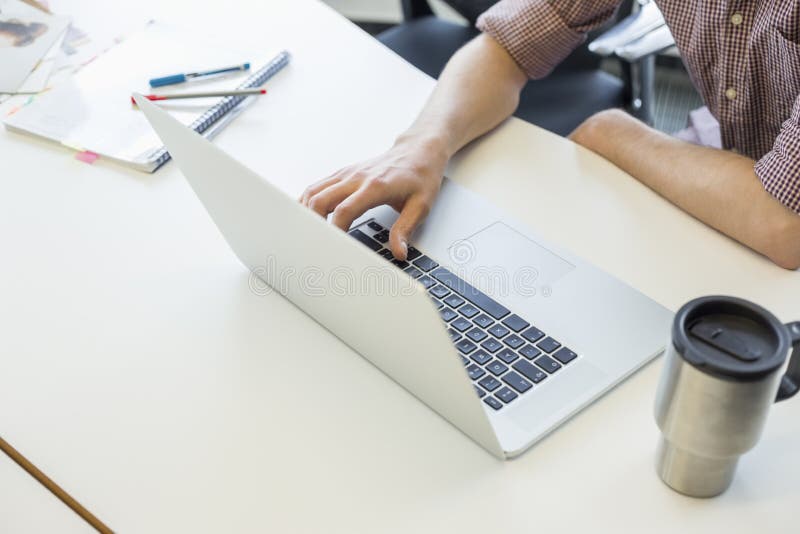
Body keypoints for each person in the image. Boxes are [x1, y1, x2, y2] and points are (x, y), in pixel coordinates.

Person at [301, 0, 800, 270]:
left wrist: (613, 132)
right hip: (738, 158)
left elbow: (784, 225)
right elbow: (509, 45)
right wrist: (421, 147)